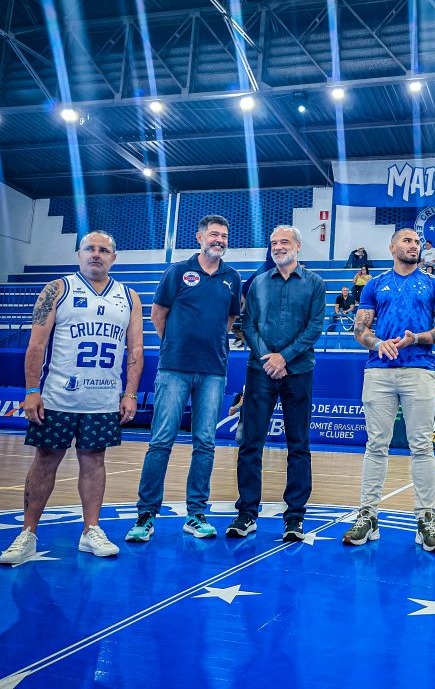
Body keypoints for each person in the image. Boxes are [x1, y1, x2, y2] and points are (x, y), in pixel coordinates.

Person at [1, 232, 144, 565]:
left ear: (114, 257)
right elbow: (37, 344)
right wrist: (31, 390)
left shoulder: (129, 296)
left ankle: (91, 530)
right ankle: (27, 533)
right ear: (79, 254)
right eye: (89, 249)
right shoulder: (58, 289)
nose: (96, 254)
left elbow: (136, 349)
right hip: (58, 397)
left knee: (95, 462)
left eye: (104, 250)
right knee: (45, 460)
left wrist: (130, 392)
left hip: (104, 399)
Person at [125, 215, 241, 543]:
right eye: (214, 234)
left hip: (213, 371)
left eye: (224, 236)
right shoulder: (177, 271)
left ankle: (196, 514)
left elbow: (230, 319)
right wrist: (176, 345)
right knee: (161, 441)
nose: (219, 240)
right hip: (174, 368)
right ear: (200, 237)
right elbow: (157, 314)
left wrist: (207, 345)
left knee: (205, 443)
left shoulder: (233, 278)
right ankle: (146, 515)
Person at [342, 228, 435, 551]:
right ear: (392, 247)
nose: (414, 246)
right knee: (376, 445)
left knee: (422, 446)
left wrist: (416, 338)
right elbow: (360, 328)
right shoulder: (375, 284)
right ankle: (368, 515)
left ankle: (426, 518)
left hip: (419, 369)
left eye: (417, 242)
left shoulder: (434, 284)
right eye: (407, 241)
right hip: (379, 371)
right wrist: (378, 343)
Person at [227, 226, 326, 542]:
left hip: (299, 372)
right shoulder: (257, 283)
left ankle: (295, 516)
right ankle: (246, 513)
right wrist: (268, 358)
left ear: (298, 246)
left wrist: (284, 358)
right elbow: (248, 325)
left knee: (298, 445)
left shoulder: (315, 283)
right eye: (273, 243)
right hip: (260, 371)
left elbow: (314, 328)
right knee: (250, 443)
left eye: (284, 242)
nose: (278, 247)